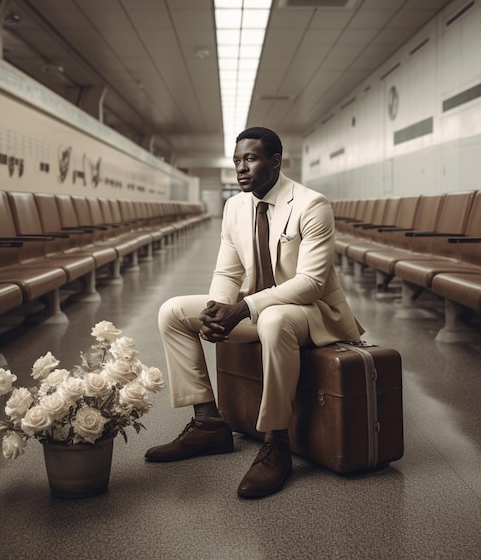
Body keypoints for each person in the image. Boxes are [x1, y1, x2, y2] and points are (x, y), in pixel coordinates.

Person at [145, 126, 363, 498]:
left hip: (310, 312)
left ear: (275, 161)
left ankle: (277, 443)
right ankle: (207, 422)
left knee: (276, 320)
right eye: (236, 161)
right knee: (173, 311)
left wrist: (243, 307)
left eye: (250, 159)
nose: (241, 168)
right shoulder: (235, 206)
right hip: (258, 308)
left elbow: (310, 283)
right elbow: (228, 271)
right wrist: (216, 310)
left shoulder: (311, 205)